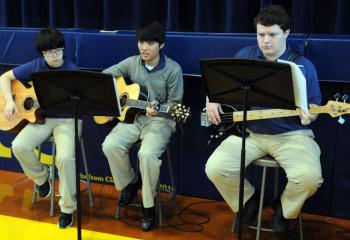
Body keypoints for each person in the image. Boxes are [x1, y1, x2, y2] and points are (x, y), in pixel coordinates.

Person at [205, 4, 323, 233]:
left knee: (309, 178)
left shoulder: (304, 65)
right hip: (249, 133)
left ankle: (284, 208)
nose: (265, 40)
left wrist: (312, 114)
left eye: (272, 35)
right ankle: (249, 200)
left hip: (291, 134)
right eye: (261, 34)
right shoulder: (245, 55)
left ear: (286, 33)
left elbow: (315, 106)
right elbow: (220, 84)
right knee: (215, 168)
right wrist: (212, 98)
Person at [102, 21, 183, 231]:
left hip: (161, 120)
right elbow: (103, 77)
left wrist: (160, 109)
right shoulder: (131, 62)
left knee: (146, 155)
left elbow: (175, 104)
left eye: (149, 43)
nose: (144, 48)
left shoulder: (173, 69)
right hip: (133, 118)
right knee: (110, 144)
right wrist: (118, 96)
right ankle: (129, 184)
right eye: (141, 42)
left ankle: (148, 206)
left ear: (161, 45)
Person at [0, 28, 80, 229]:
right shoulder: (37, 65)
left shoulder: (72, 71)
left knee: (65, 158)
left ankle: (68, 209)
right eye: (47, 52)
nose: (53, 56)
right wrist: (9, 101)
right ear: (42, 54)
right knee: (18, 145)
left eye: (57, 51)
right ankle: (43, 178)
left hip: (67, 120)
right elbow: (4, 78)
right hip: (42, 119)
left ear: (63, 49)